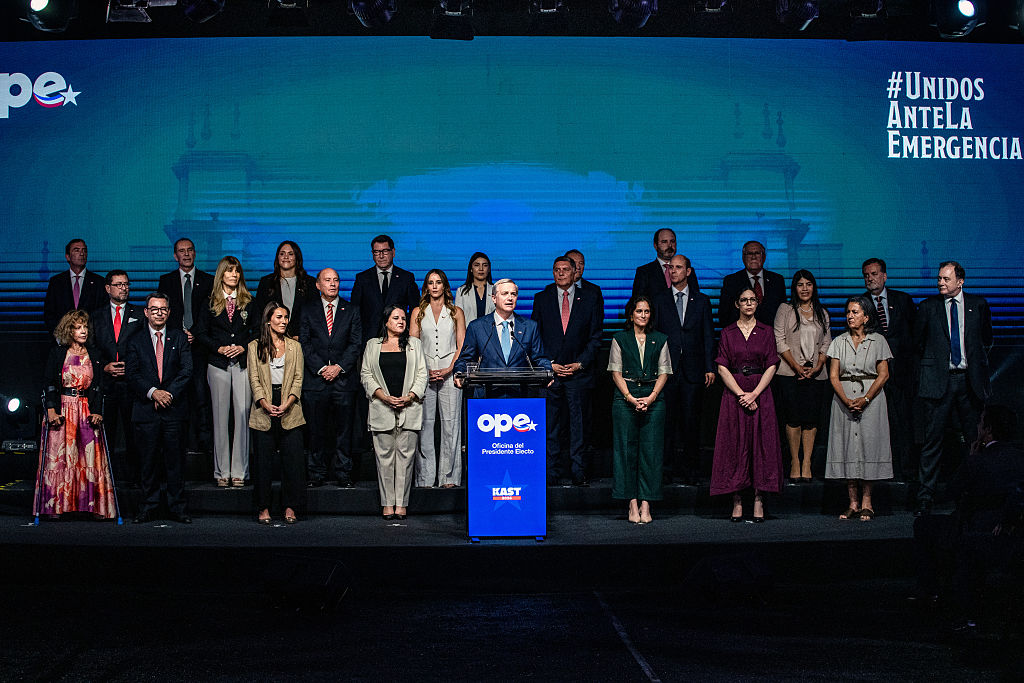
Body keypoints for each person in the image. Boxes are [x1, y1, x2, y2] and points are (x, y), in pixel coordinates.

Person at [913, 406, 1024, 627]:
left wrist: (972, 458)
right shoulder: (1020, 459)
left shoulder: (977, 461)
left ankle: (932, 594)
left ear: (988, 430)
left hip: (978, 527)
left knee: (924, 524)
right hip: (1010, 529)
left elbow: (950, 492)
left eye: (981, 423)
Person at [914, 261, 993, 516]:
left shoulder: (978, 305)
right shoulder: (928, 307)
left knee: (973, 440)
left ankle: (976, 494)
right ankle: (925, 496)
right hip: (939, 381)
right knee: (932, 442)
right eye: (939, 278)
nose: (940, 283)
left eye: (946, 279)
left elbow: (986, 339)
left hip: (969, 382)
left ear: (960, 281)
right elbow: (917, 343)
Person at [33, 310, 118, 520]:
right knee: (61, 459)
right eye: (78, 327)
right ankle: (56, 506)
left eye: (85, 327)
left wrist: (97, 410)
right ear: (68, 330)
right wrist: (51, 411)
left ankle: (94, 506)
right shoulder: (58, 352)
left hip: (86, 409)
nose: (83, 331)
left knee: (88, 458)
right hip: (63, 409)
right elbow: (49, 382)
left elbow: (98, 386)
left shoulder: (94, 354)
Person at [711, 288, 783, 522]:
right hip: (735, 393)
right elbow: (722, 367)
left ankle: (759, 499)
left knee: (761, 445)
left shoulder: (766, 331)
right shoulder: (728, 333)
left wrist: (754, 394)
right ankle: (737, 500)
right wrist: (742, 394)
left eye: (753, 300)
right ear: (737, 304)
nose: (749, 303)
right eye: (744, 300)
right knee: (735, 445)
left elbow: (772, 364)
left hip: (760, 392)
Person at [532, 256, 604, 486]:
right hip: (550, 374)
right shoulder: (541, 298)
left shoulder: (590, 298)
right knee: (550, 426)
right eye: (557, 270)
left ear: (575, 272)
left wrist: (580, 363)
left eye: (566, 269)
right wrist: (548, 364)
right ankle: (550, 472)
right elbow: (535, 338)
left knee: (578, 426)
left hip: (578, 373)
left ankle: (578, 471)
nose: (561, 273)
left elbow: (595, 338)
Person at [125, 292, 193, 524]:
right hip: (146, 411)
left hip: (174, 410)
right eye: (154, 309)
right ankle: (148, 506)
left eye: (163, 309)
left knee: (175, 463)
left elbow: (187, 371)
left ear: (169, 312)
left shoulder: (179, 338)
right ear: (146, 312)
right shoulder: (135, 340)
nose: (159, 313)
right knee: (148, 463)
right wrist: (153, 392)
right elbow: (132, 375)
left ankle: (178, 508)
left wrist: (168, 394)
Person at [825, 296, 893, 520]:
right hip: (844, 398)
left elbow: (883, 374)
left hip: (871, 399)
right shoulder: (839, 341)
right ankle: (852, 503)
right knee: (847, 447)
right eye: (848, 312)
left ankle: (867, 501)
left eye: (855, 312)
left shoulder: (878, 341)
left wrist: (865, 399)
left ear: (866, 316)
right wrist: (846, 400)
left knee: (868, 447)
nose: (850, 316)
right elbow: (834, 375)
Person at [193, 256, 256, 488]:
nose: (234, 275)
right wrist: (218, 347)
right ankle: (222, 471)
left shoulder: (249, 301)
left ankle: (240, 470)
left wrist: (243, 345)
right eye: (229, 271)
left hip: (242, 363)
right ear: (221, 274)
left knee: (242, 415)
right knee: (220, 419)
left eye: (237, 271)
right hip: (217, 363)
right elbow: (200, 332)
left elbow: (258, 330)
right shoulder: (209, 302)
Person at [652, 254, 715, 485]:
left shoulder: (701, 300)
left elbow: (708, 336)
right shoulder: (659, 300)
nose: (674, 271)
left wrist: (709, 367)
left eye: (679, 267)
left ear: (689, 271)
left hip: (693, 370)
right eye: (671, 268)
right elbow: (654, 337)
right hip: (666, 372)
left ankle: (691, 472)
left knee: (691, 423)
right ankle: (666, 471)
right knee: (666, 424)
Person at [360, 305, 428, 520]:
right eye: (396, 318)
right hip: (382, 408)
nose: (401, 321)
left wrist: (409, 397)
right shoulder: (373, 345)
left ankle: (402, 503)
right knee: (384, 459)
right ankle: (387, 503)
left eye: (403, 318)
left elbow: (422, 375)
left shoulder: (414, 345)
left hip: (409, 408)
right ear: (386, 321)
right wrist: (384, 396)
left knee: (406, 459)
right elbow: (366, 374)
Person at [609, 296, 671, 524]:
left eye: (646, 311)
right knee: (626, 452)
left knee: (651, 452)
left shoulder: (660, 339)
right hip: (625, 398)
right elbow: (615, 372)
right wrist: (631, 398)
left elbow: (664, 371)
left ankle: (647, 504)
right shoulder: (620, 338)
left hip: (653, 398)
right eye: (639, 311)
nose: (643, 315)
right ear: (631, 314)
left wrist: (651, 397)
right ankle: (632, 504)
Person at [299, 268, 362, 488]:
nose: (333, 284)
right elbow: (304, 344)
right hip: (316, 382)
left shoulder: (351, 310)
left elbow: (355, 344)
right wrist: (322, 368)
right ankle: (316, 473)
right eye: (327, 280)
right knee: (316, 431)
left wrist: (338, 367)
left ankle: (343, 473)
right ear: (318, 285)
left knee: (344, 432)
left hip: (343, 381)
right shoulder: (307, 310)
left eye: (336, 280)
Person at [248, 302, 306, 525]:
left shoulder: (294, 346)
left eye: (286, 317)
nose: (284, 321)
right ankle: (263, 508)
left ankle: (290, 507)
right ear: (268, 320)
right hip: (264, 406)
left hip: (289, 405)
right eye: (279, 317)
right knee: (263, 463)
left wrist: (287, 403)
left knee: (292, 462)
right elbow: (254, 379)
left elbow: (298, 379)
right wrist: (264, 402)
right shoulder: (255, 346)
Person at [409, 269, 466, 488]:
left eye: (438, 282)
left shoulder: (455, 311)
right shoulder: (417, 311)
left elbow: (462, 345)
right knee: (424, 426)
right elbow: (413, 345)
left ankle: (448, 477)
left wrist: (449, 368)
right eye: (431, 282)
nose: (434, 286)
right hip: (424, 374)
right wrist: (426, 370)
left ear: (444, 286)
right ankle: (425, 477)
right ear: (426, 286)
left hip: (450, 374)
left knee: (451, 426)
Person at [157, 237, 214, 455]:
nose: (187, 254)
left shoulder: (208, 280)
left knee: (202, 395)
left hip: (201, 347)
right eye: (182, 251)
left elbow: (212, 312)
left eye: (190, 250)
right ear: (175, 255)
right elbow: (163, 312)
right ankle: (182, 443)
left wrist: (196, 334)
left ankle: (204, 445)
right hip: (175, 346)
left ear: (195, 253)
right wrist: (180, 335)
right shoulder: (167, 280)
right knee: (178, 395)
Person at [773, 269, 831, 483]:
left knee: (811, 420)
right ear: (794, 288)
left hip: (816, 374)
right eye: (800, 284)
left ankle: (806, 462)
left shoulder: (822, 312)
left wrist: (817, 366)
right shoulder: (785, 309)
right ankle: (794, 461)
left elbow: (827, 342)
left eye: (808, 284)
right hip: (790, 373)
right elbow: (779, 340)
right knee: (793, 418)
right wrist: (797, 366)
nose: (805, 288)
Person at [862, 257, 917, 481]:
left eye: (874, 274)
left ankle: (907, 470)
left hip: (903, 372)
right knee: (877, 424)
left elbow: (915, 334)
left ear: (884, 276)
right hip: (872, 373)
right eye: (866, 275)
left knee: (904, 422)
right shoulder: (859, 303)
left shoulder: (903, 300)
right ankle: (880, 470)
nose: (870, 279)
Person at [90, 269, 145, 488]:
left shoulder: (140, 313)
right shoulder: (95, 316)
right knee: (106, 434)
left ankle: (136, 481)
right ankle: (105, 481)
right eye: (119, 284)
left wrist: (130, 368)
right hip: (106, 385)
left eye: (126, 284)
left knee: (134, 435)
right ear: (108, 288)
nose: (124, 288)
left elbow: (144, 347)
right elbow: (91, 349)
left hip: (132, 384)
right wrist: (104, 367)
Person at [454, 278, 553, 397]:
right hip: (487, 397)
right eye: (505, 293)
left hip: (521, 396)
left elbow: (539, 358)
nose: (510, 298)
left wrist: (548, 371)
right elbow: (465, 359)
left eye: (513, 294)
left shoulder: (530, 327)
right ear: (494, 298)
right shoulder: (477, 327)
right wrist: (459, 373)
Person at [350, 234, 420, 344]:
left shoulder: (406, 278)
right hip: (369, 340)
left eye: (385, 251)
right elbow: (354, 311)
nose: (381, 256)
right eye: (376, 252)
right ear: (372, 254)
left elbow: (415, 310)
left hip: (399, 339)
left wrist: (408, 334)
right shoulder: (362, 279)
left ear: (393, 252)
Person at [253, 240, 318, 339]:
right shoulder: (266, 282)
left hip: (301, 341)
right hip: (272, 341)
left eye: (290, 254)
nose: (286, 257)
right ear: (277, 258)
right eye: (282, 254)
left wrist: (302, 336)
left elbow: (315, 315)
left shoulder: (310, 283)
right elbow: (259, 315)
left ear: (297, 257)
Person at [718, 240, 786, 329]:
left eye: (757, 253)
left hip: (772, 336)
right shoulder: (731, 281)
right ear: (743, 257)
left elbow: (784, 313)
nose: (753, 257)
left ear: (764, 257)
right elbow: (724, 315)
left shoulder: (777, 280)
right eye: (749, 253)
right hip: (742, 336)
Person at [43, 238, 106, 334]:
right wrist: (60, 338)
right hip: (63, 341)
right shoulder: (56, 282)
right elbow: (49, 314)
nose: (82, 253)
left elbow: (102, 314)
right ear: (67, 257)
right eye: (76, 250)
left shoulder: (99, 282)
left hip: (91, 341)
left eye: (84, 250)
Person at [631, 228, 699, 300]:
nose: (669, 245)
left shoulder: (687, 270)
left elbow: (697, 301)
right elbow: (637, 303)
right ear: (655, 245)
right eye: (664, 242)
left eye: (672, 241)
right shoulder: (644, 272)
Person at [454, 252, 495, 324]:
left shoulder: (496, 290)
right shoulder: (461, 291)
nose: (481, 269)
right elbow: (458, 319)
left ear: (489, 269)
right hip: (469, 333)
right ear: (471, 269)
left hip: (492, 334)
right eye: (477, 265)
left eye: (485, 265)